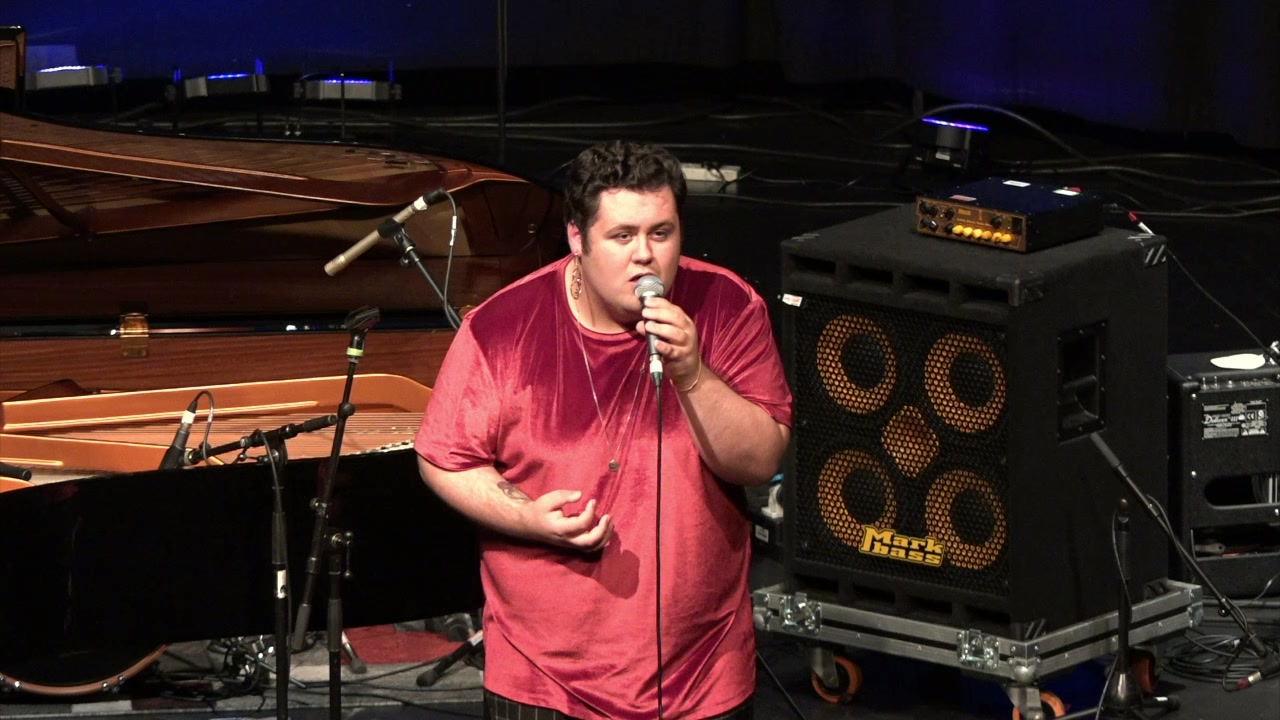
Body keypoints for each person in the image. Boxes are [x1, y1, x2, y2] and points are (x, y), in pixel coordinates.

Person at [414, 140, 792, 720]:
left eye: (661, 233)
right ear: (576, 237)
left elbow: (760, 462)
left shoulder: (727, 305)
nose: (645, 256)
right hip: (546, 679)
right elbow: (446, 458)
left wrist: (693, 372)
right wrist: (526, 516)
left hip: (701, 674)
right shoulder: (502, 327)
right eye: (622, 236)